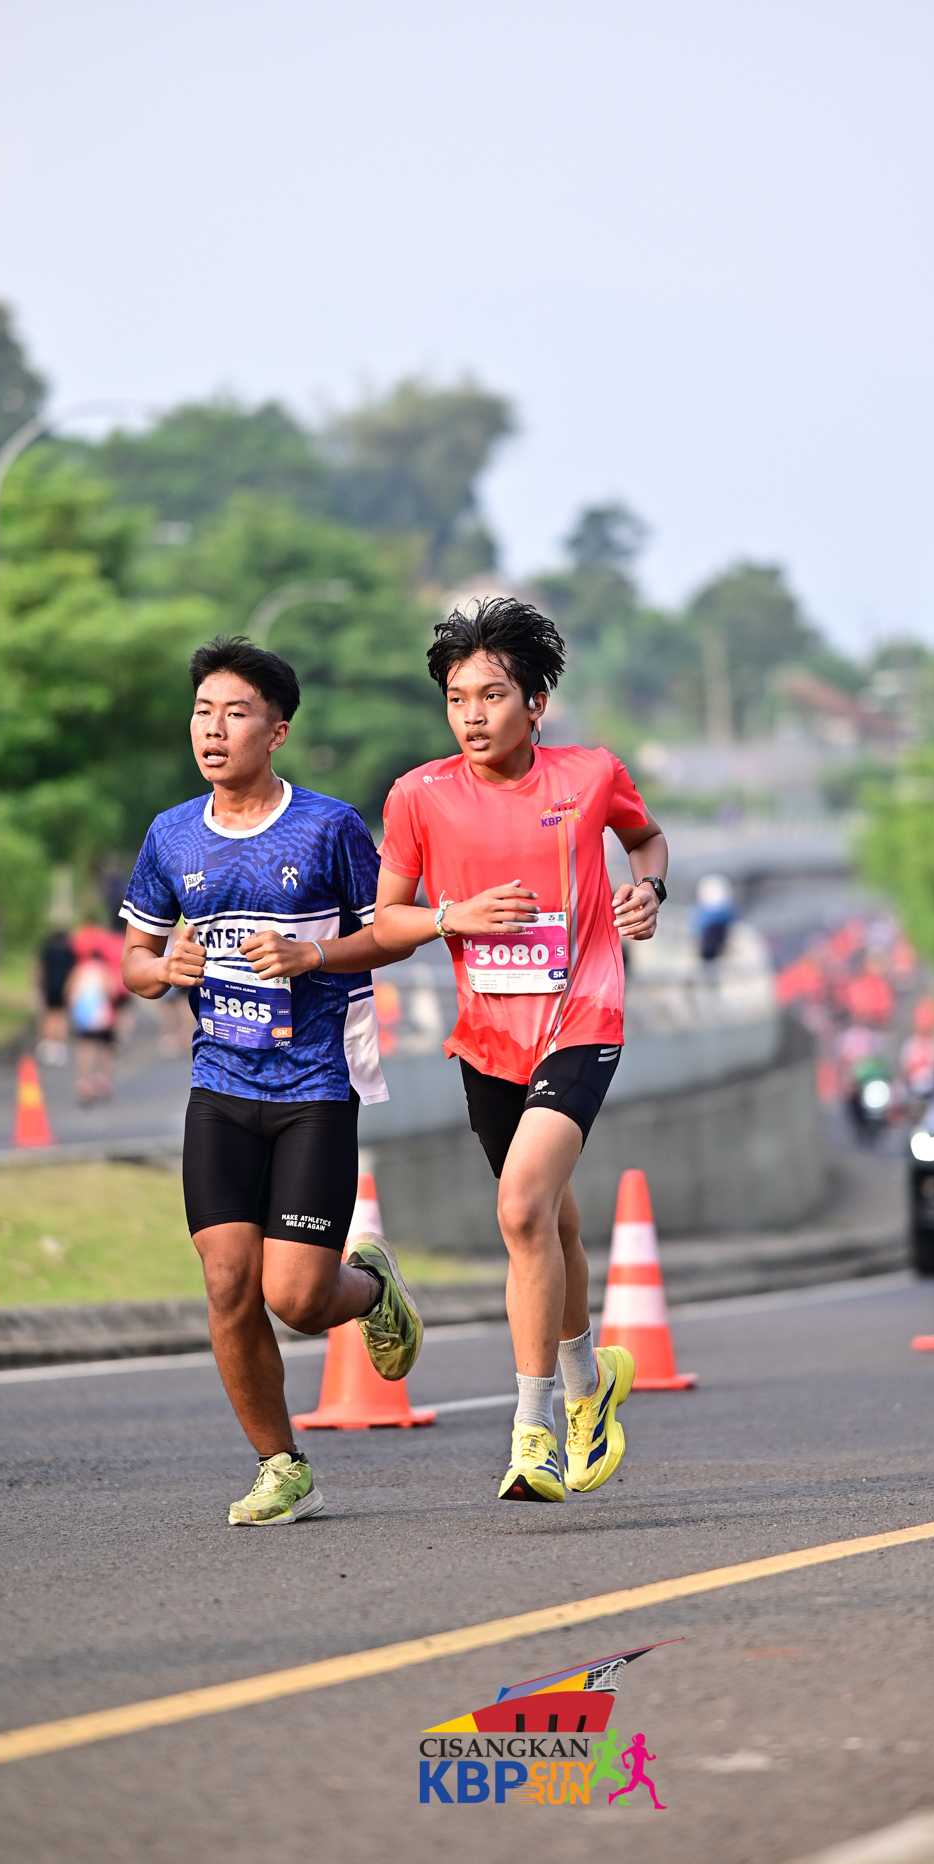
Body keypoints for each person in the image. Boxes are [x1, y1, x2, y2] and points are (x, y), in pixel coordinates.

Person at [120, 634, 421, 1527]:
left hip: (314, 1086)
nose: (213, 730)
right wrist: (161, 969)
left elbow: (392, 933)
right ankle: (281, 1465)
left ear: (277, 731)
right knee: (226, 1283)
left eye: (235, 713)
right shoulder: (171, 835)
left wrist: (311, 954)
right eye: (202, 712)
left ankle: (370, 1287)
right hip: (219, 1084)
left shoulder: (328, 827)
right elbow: (135, 957)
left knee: (296, 1298)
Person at [374, 596, 669, 1503]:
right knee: (551, 1223)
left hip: (583, 1018)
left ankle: (532, 1431)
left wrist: (648, 892)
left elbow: (647, 840)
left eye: (492, 696)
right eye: (457, 699)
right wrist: (451, 916)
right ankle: (591, 1384)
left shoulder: (590, 775)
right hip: (488, 1040)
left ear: (536, 703)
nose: (472, 716)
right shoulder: (419, 796)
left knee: (519, 1209)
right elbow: (385, 922)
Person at [66, 942, 118, 1104]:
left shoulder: (79, 970)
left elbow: (68, 991)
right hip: (102, 1014)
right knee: (106, 1047)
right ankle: (103, 1078)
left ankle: (84, 1082)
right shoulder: (104, 970)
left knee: (85, 1047)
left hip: (83, 1015)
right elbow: (113, 991)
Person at [35, 927, 76, 1067]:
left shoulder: (48, 950)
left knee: (49, 1015)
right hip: (64, 987)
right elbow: (73, 971)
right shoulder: (70, 952)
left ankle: (49, 1046)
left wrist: (38, 985)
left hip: (49, 985)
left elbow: (40, 968)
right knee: (62, 1017)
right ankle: (60, 1047)